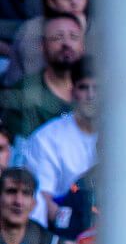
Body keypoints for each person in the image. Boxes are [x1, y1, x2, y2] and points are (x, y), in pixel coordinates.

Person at [18, 58, 95, 228]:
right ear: (72, 92)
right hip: (63, 229)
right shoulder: (47, 138)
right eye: (84, 87)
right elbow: (42, 198)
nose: (91, 95)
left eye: (97, 88)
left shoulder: (123, 137)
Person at [0, 11, 78, 138]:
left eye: (74, 37)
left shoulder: (98, 90)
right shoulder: (23, 91)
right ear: (42, 45)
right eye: (57, 37)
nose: (66, 43)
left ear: (83, 44)